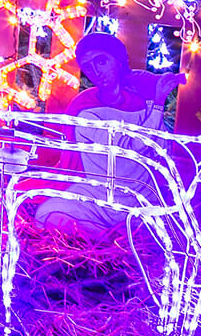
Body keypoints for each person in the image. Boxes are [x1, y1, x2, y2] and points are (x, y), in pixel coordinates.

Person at [32, 32, 189, 234]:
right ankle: (106, 240)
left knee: (155, 228)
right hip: (98, 195)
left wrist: (154, 101)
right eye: (88, 67)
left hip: (140, 198)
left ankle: (119, 237)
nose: (96, 71)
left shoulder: (142, 102)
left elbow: (159, 147)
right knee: (48, 215)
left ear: (119, 60)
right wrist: (158, 103)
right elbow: (133, 147)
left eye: (102, 61)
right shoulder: (86, 110)